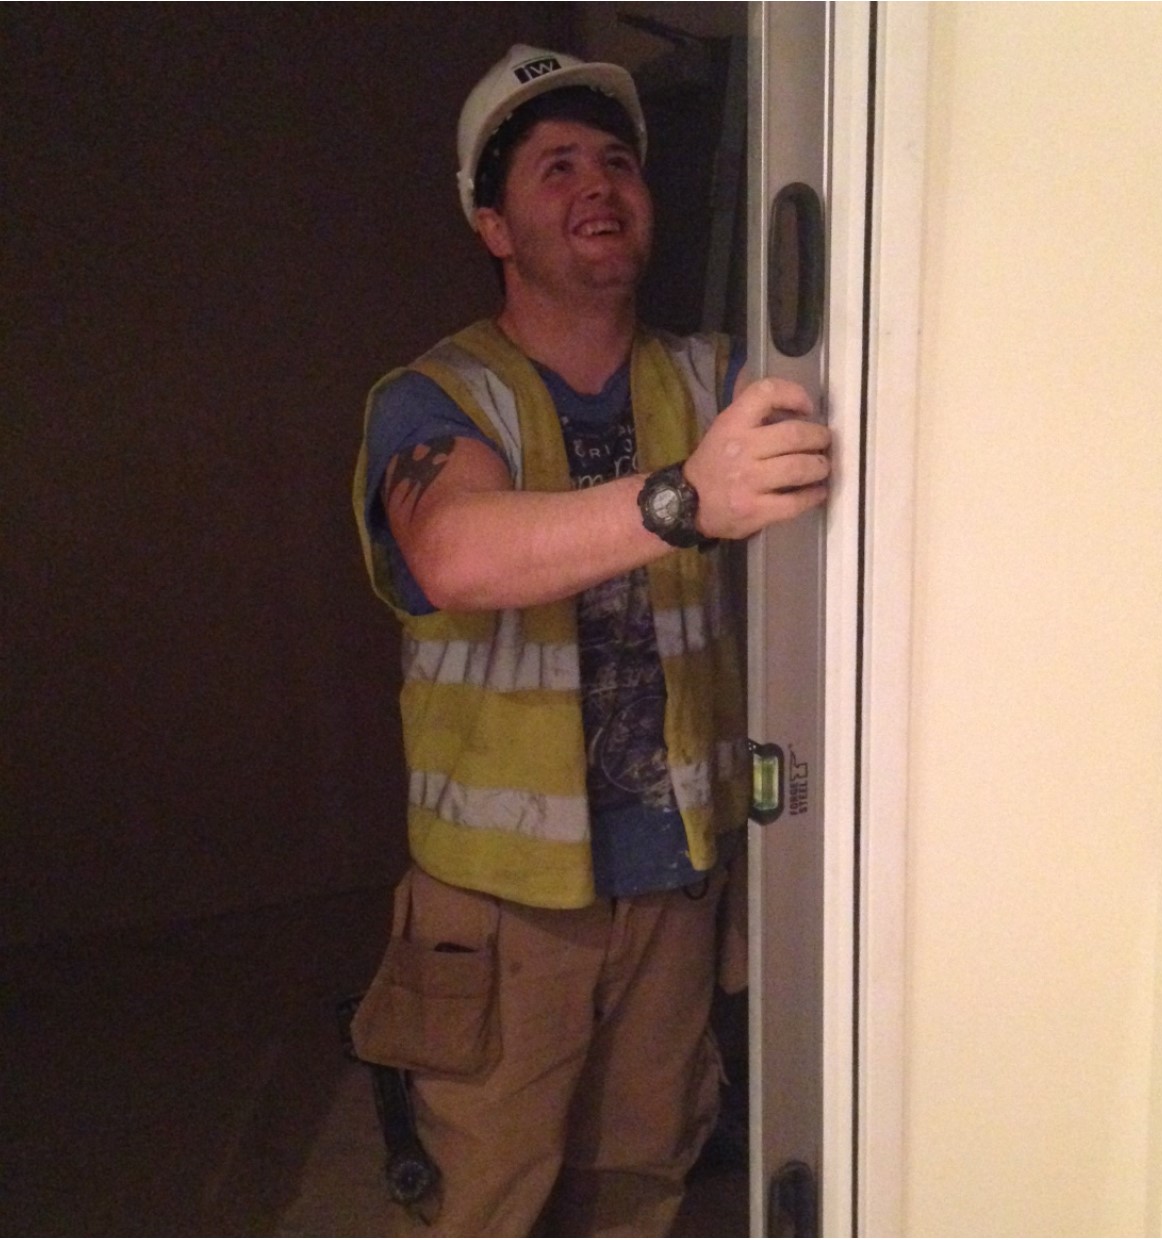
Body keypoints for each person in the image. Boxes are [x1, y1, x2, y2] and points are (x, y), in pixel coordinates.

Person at [350, 43, 830, 1237]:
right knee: (491, 1196)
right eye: (554, 166)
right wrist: (684, 499)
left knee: (637, 1185)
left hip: (675, 880)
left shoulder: (714, 379)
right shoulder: (437, 397)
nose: (597, 185)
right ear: (493, 226)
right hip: (503, 908)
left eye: (616, 160)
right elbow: (453, 553)